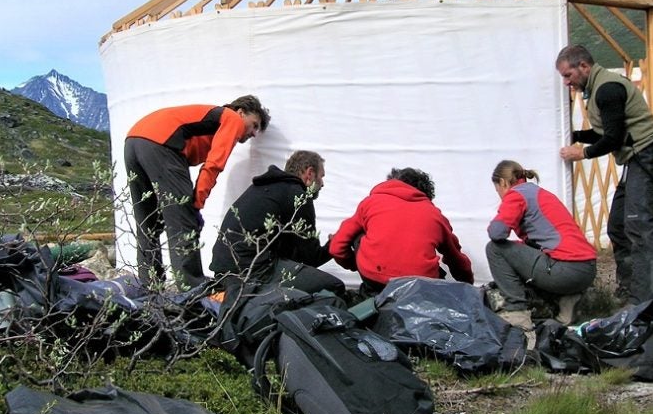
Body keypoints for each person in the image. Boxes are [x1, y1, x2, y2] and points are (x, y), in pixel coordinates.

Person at [556, 45, 653, 305]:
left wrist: (581, 153)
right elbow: (607, 132)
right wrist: (576, 136)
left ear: (583, 66)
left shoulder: (607, 89)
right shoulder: (597, 89)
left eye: (568, 75)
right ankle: (628, 289)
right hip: (634, 159)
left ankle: (645, 300)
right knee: (618, 225)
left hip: (645, 155)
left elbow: (613, 139)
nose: (566, 82)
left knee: (640, 227)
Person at [124, 95, 270, 289]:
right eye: (254, 125)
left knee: (147, 223)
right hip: (161, 143)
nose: (253, 133)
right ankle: (191, 292)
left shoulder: (212, 121)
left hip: (134, 140)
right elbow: (214, 165)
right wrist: (195, 205)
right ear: (241, 112)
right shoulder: (231, 118)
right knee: (183, 224)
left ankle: (149, 288)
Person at [210, 150, 345, 298]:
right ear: (310, 173)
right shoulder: (298, 195)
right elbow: (310, 258)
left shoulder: (264, 187)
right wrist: (334, 244)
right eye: (321, 176)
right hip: (252, 272)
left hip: (223, 271)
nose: (322, 184)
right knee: (335, 287)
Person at [485, 160, 597, 331]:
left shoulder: (516, 195)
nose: (499, 195)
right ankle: (568, 300)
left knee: (495, 249)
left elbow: (496, 232)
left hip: (565, 270)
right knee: (524, 251)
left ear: (503, 183)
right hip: (586, 269)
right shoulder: (539, 193)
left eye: (498, 190)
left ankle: (517, 313)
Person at [329, 167, 473, 298]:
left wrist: (355, 264)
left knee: (358, 235)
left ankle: (371, 294)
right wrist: (469, 287)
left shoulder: (370, 203)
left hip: (375, 278)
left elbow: (337, 247)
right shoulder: (435, 214)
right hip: (420, 285)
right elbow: (457, 259)